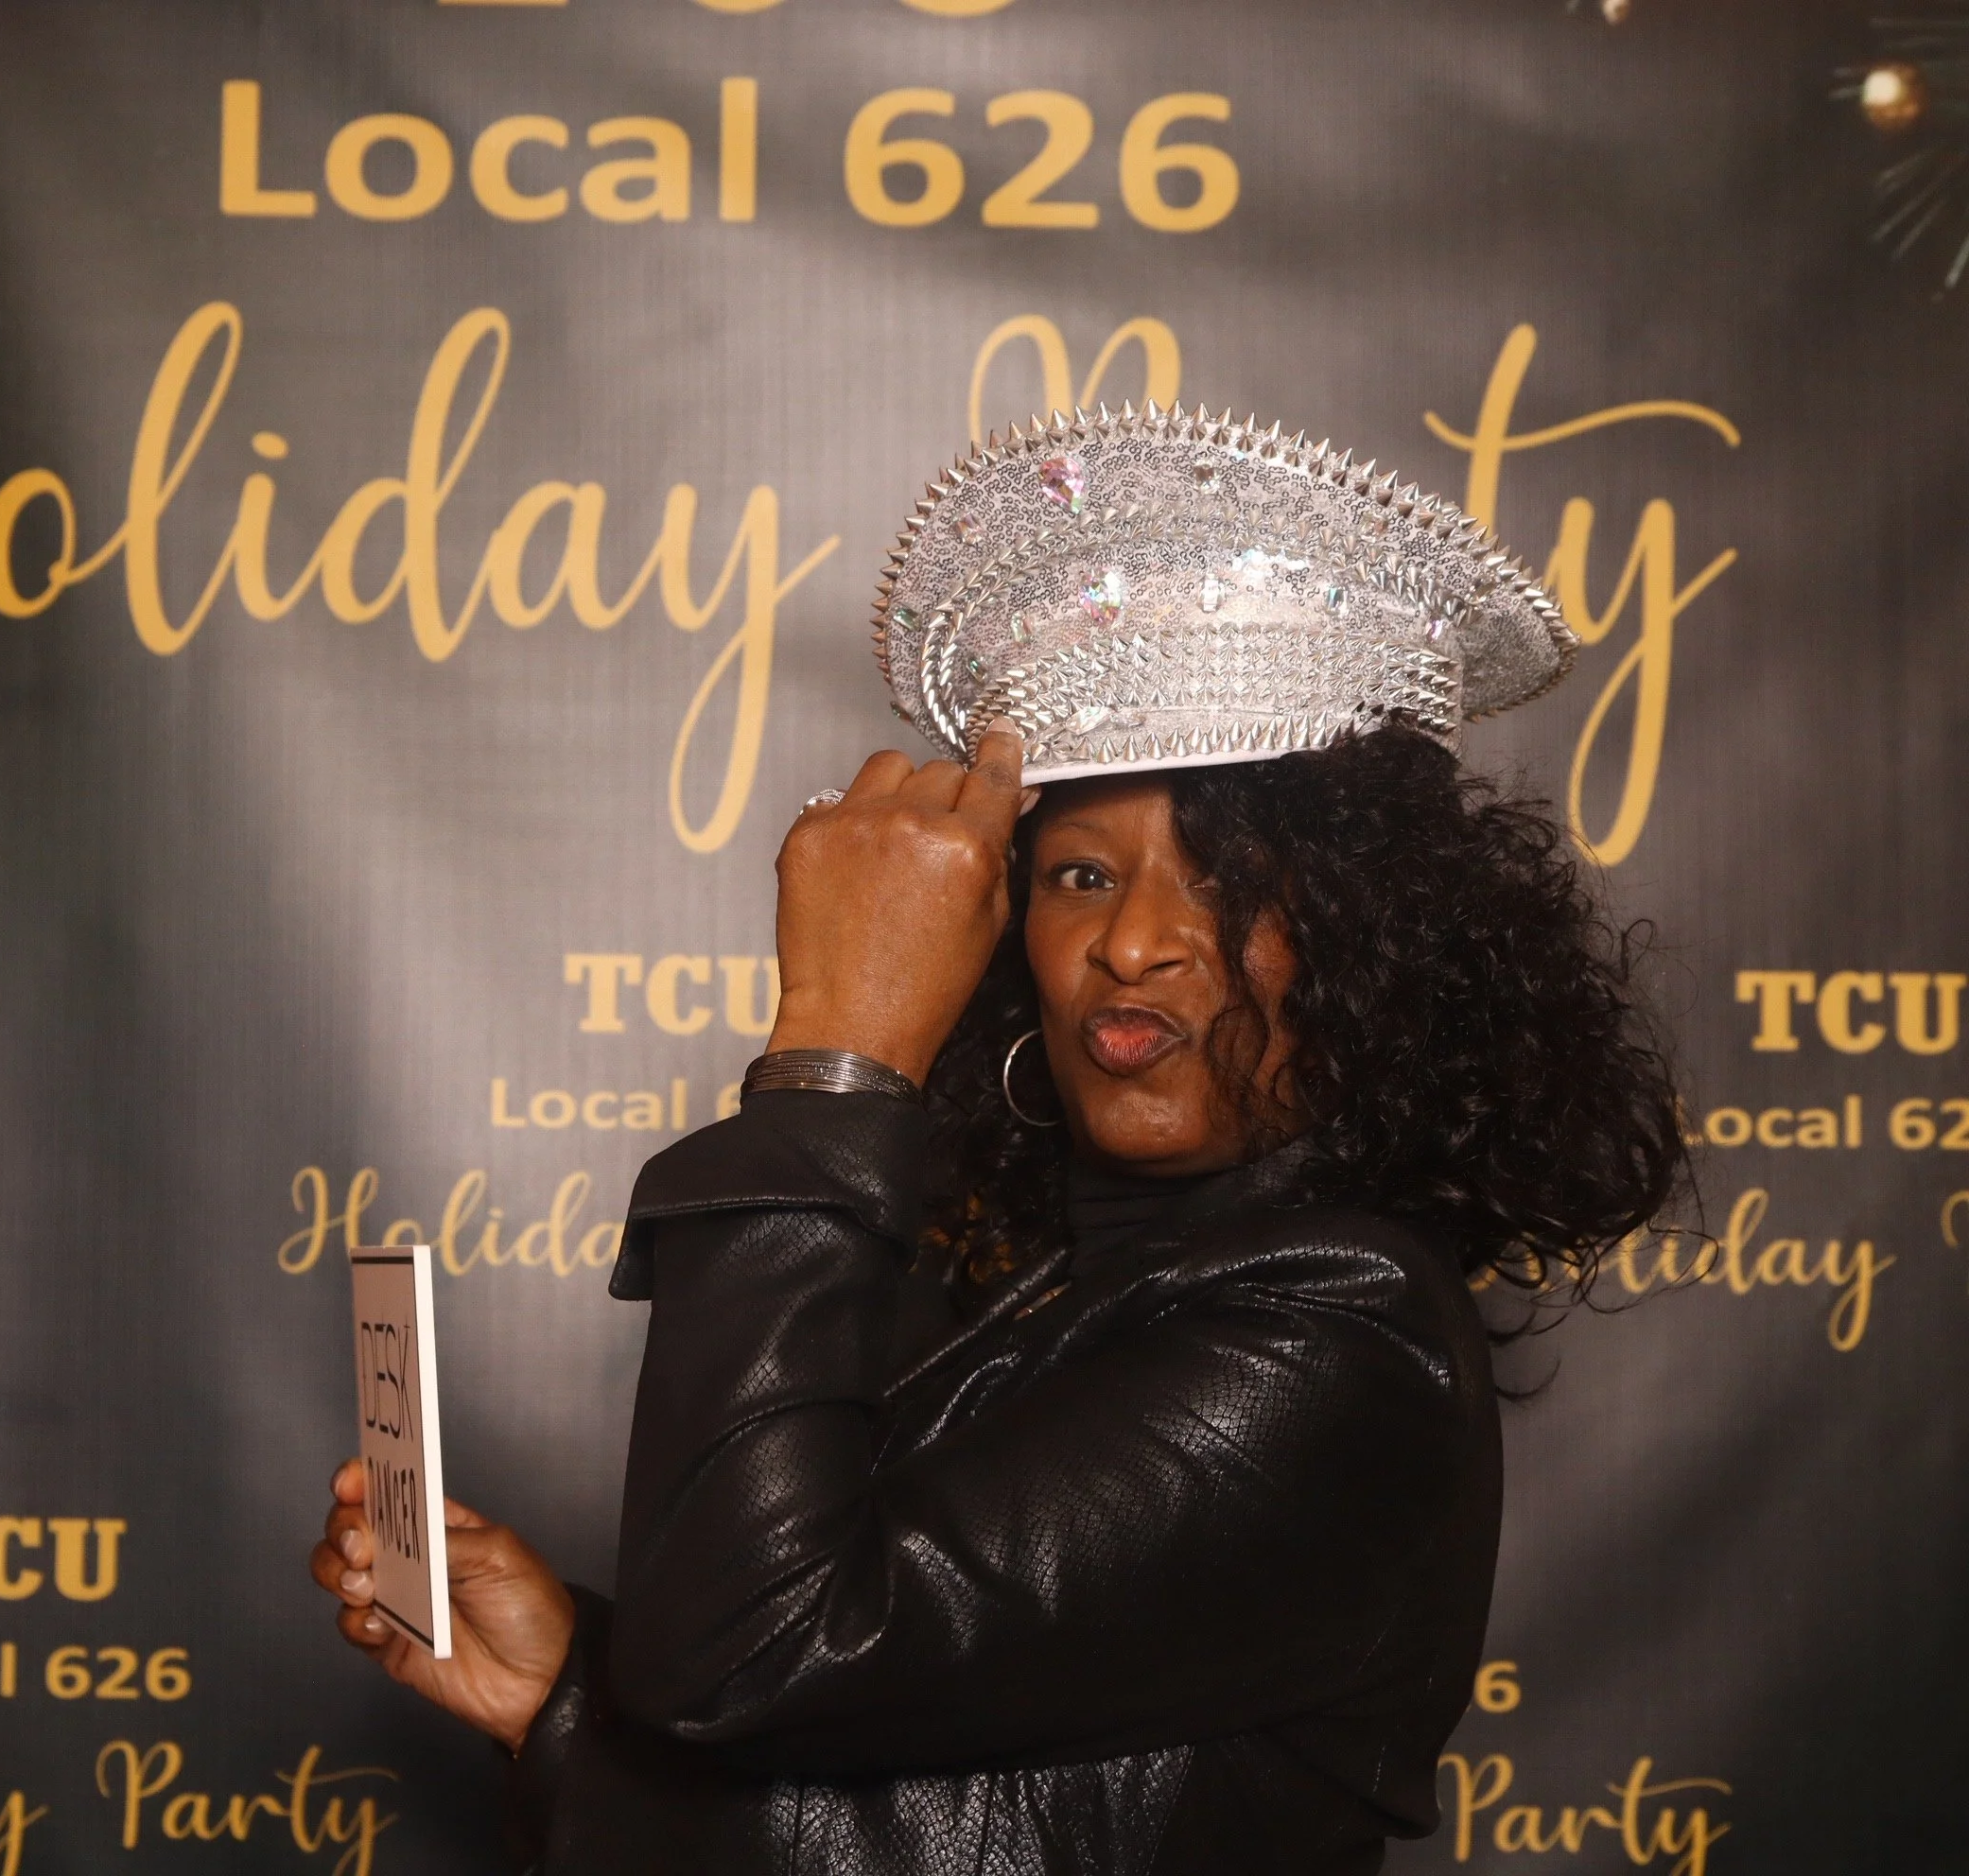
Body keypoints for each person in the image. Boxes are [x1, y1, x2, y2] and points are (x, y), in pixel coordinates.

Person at [311, 408, 1686, 1874]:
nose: (1135, 942)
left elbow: (752, 1656)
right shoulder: (1047, 1284)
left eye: (1230, 880)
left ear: (1375, 948)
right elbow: (970, 1829)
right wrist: (565, 1701)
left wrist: (838, 1052)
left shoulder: (1341, 1332)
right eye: (1080, 875)